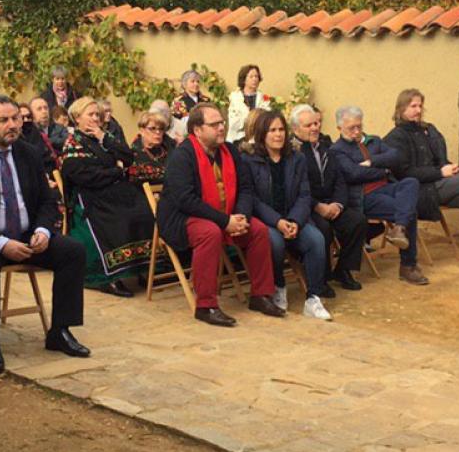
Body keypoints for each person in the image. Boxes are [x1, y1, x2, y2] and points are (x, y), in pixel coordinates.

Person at [0, 94, 91, 358]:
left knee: (72, 251)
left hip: (27, 235)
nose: (13, 125)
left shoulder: (29, 153)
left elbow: (48, 201)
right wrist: (2, 243)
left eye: (15, 118)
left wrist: (42, 230)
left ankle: (60, 331)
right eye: (3, 120)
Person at [157, 102, 284, 327]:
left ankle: (260, 295)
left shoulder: (230, 151)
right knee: (210, 232)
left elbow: (245, 188)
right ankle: (206, 306)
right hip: (183, 219)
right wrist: (225, 221)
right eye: (214, 124)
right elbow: (186, 200)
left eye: (222, 123)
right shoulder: (182, 156)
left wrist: (241, 217)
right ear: (197, 130)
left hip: (227, 216)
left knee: (258, 230)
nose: (221, 128)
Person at [386, 89, 459, 269]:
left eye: (420, 106)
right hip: (419, 193)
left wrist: (451, 168)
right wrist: (441, 172)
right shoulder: (396, 137)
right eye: (413, 106)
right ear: (401, 109)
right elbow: (405, 174)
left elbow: (437, 162)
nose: (418, 110)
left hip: (437, 186)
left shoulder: (426, 130)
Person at [60, 97, 156, 299]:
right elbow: (83, 176)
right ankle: (109, 278)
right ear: (77, 118)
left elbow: (129, 158)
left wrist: (104, 138)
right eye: (91, 114)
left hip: (115, 190)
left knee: (145, 212)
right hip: (90, 196)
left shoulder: (106, 137)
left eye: (98, 114)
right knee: (120, 219)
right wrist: (116, 171)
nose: (96, 118)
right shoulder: (72, 142)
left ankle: (144, 268)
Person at [243, 110, 333, 320]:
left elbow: (304, 194)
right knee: (274, 242)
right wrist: (277, 221)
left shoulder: (297, 158)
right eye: (272, 130)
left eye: (281, 129)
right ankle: (278, 286)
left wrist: (294, 221)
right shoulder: (249, 160)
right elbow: (253, 200)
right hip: (268, 220)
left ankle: (313, 298)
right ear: (262, 133)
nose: (278, 134)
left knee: (317, 239)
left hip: (295, 219)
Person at [329, 106, 426, 285]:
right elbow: (353, 174)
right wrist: (383, 170)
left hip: (387, 187)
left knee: (411, 182)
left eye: (359, 126)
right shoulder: (337, 150)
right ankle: (408, 266)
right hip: (364, 196)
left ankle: (399, 228)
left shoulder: (373, 141)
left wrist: (372, 162)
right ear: (339, 128)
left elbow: (396, 156)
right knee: (408, 211)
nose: (357, 131)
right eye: (352, 128)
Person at [289, 105, 366, 292]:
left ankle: (343, 270)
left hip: (332, 204)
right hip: (308, 207)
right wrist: (318, 207)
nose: (315, 128)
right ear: (296, 129)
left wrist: (337, 204)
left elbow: (340, 180)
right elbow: (297, 189)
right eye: (308, 125)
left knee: (357, 221)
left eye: (316, 123)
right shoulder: (292, 153)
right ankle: (320, 278)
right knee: (322, 229)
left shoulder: (325, 147)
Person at [225, 64, 273, 143]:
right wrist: (251, 120)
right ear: (244, 79)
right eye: (251, 77)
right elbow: (233, 123)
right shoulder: (234, 98)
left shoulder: (263, 98)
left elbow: (266, 118)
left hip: (259, 138)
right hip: (238, 137)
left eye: (256, 76)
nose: (254, 79)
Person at [129, 110, 170, 184]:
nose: (158, 132)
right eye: (152, 128)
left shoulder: (168, 148)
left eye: (161, 129)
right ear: (142, 131)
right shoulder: (134, 154)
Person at [22, 96, 60, 168]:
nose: (44, 111)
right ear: (31, 114)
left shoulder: (60, 129)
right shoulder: (28, 137)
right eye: (39, 109)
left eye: (46, 108)